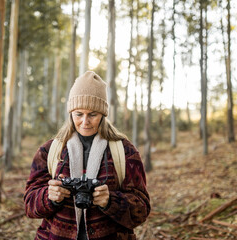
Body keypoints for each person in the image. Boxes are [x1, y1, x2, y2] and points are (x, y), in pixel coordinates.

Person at [24, 71, 150, 240]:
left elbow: (141, 210)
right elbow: (29, 205)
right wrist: (49, 196)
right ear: (70, 113)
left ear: (103, 115)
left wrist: (110, 201)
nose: (85, 122)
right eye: (78, 114)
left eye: (92, 114)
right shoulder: (49, 151)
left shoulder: (125, 151)